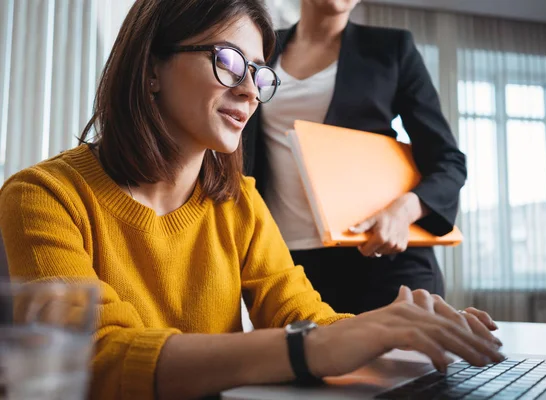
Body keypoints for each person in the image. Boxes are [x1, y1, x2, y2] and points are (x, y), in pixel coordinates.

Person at [0, 0, 502, 399]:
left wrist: (394, 329)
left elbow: (303, 317)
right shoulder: (43, 196)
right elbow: (96, 357)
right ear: (151, 67)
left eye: (260, 75)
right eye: (227, 61)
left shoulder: (239, 201)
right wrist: (316, 346)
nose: (249, 90)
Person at [243, 0, 467, 314]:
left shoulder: (390, 49)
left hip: (381, 255)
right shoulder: (262, 46)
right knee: (303, 361)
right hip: (288, 261)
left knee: (404, 363)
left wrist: (403, 212)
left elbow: (448, 161)